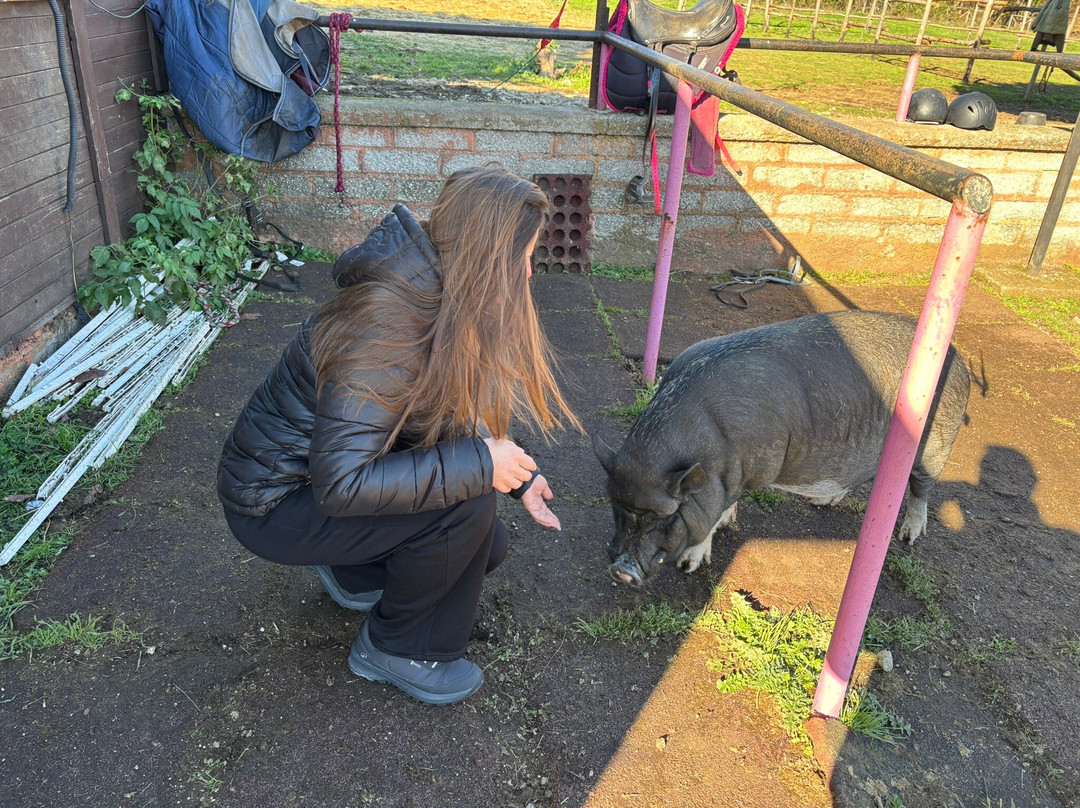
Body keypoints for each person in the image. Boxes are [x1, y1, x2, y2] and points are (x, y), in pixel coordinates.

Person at [217, 164, 579, 705]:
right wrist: (482, 465)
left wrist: (514, 473)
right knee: (466, 511)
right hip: (274, 503)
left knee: (485, 543)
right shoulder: (387, 325)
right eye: (524, 258)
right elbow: (342, 484)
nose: (529, 274)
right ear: (490, 258)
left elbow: (439, 407)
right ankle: (397, 648)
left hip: (309, 483)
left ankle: (358, 573)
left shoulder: (432, 293)